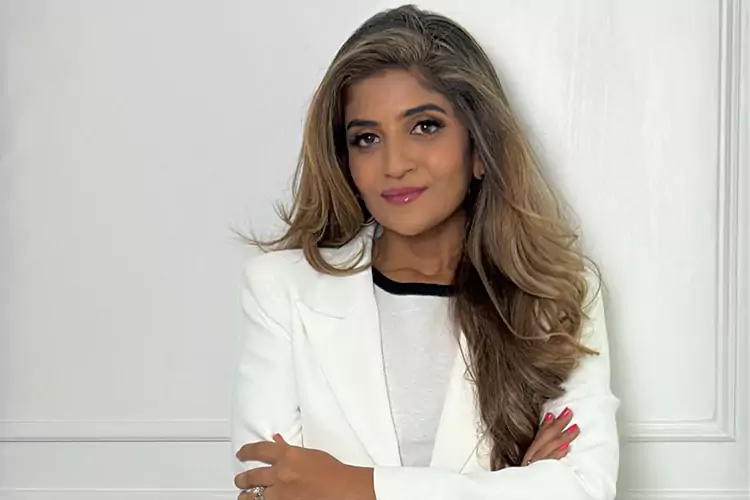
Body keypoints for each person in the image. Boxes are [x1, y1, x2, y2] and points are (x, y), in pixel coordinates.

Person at [230, 4, 619, 500]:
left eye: (425, 126)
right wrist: (510, 486)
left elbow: (582, 490)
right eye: (367, 138)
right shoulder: (280, 290)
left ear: (479, 149)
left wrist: (355, 485)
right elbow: (267, 491)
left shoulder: (555, 294)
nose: (395, 164)